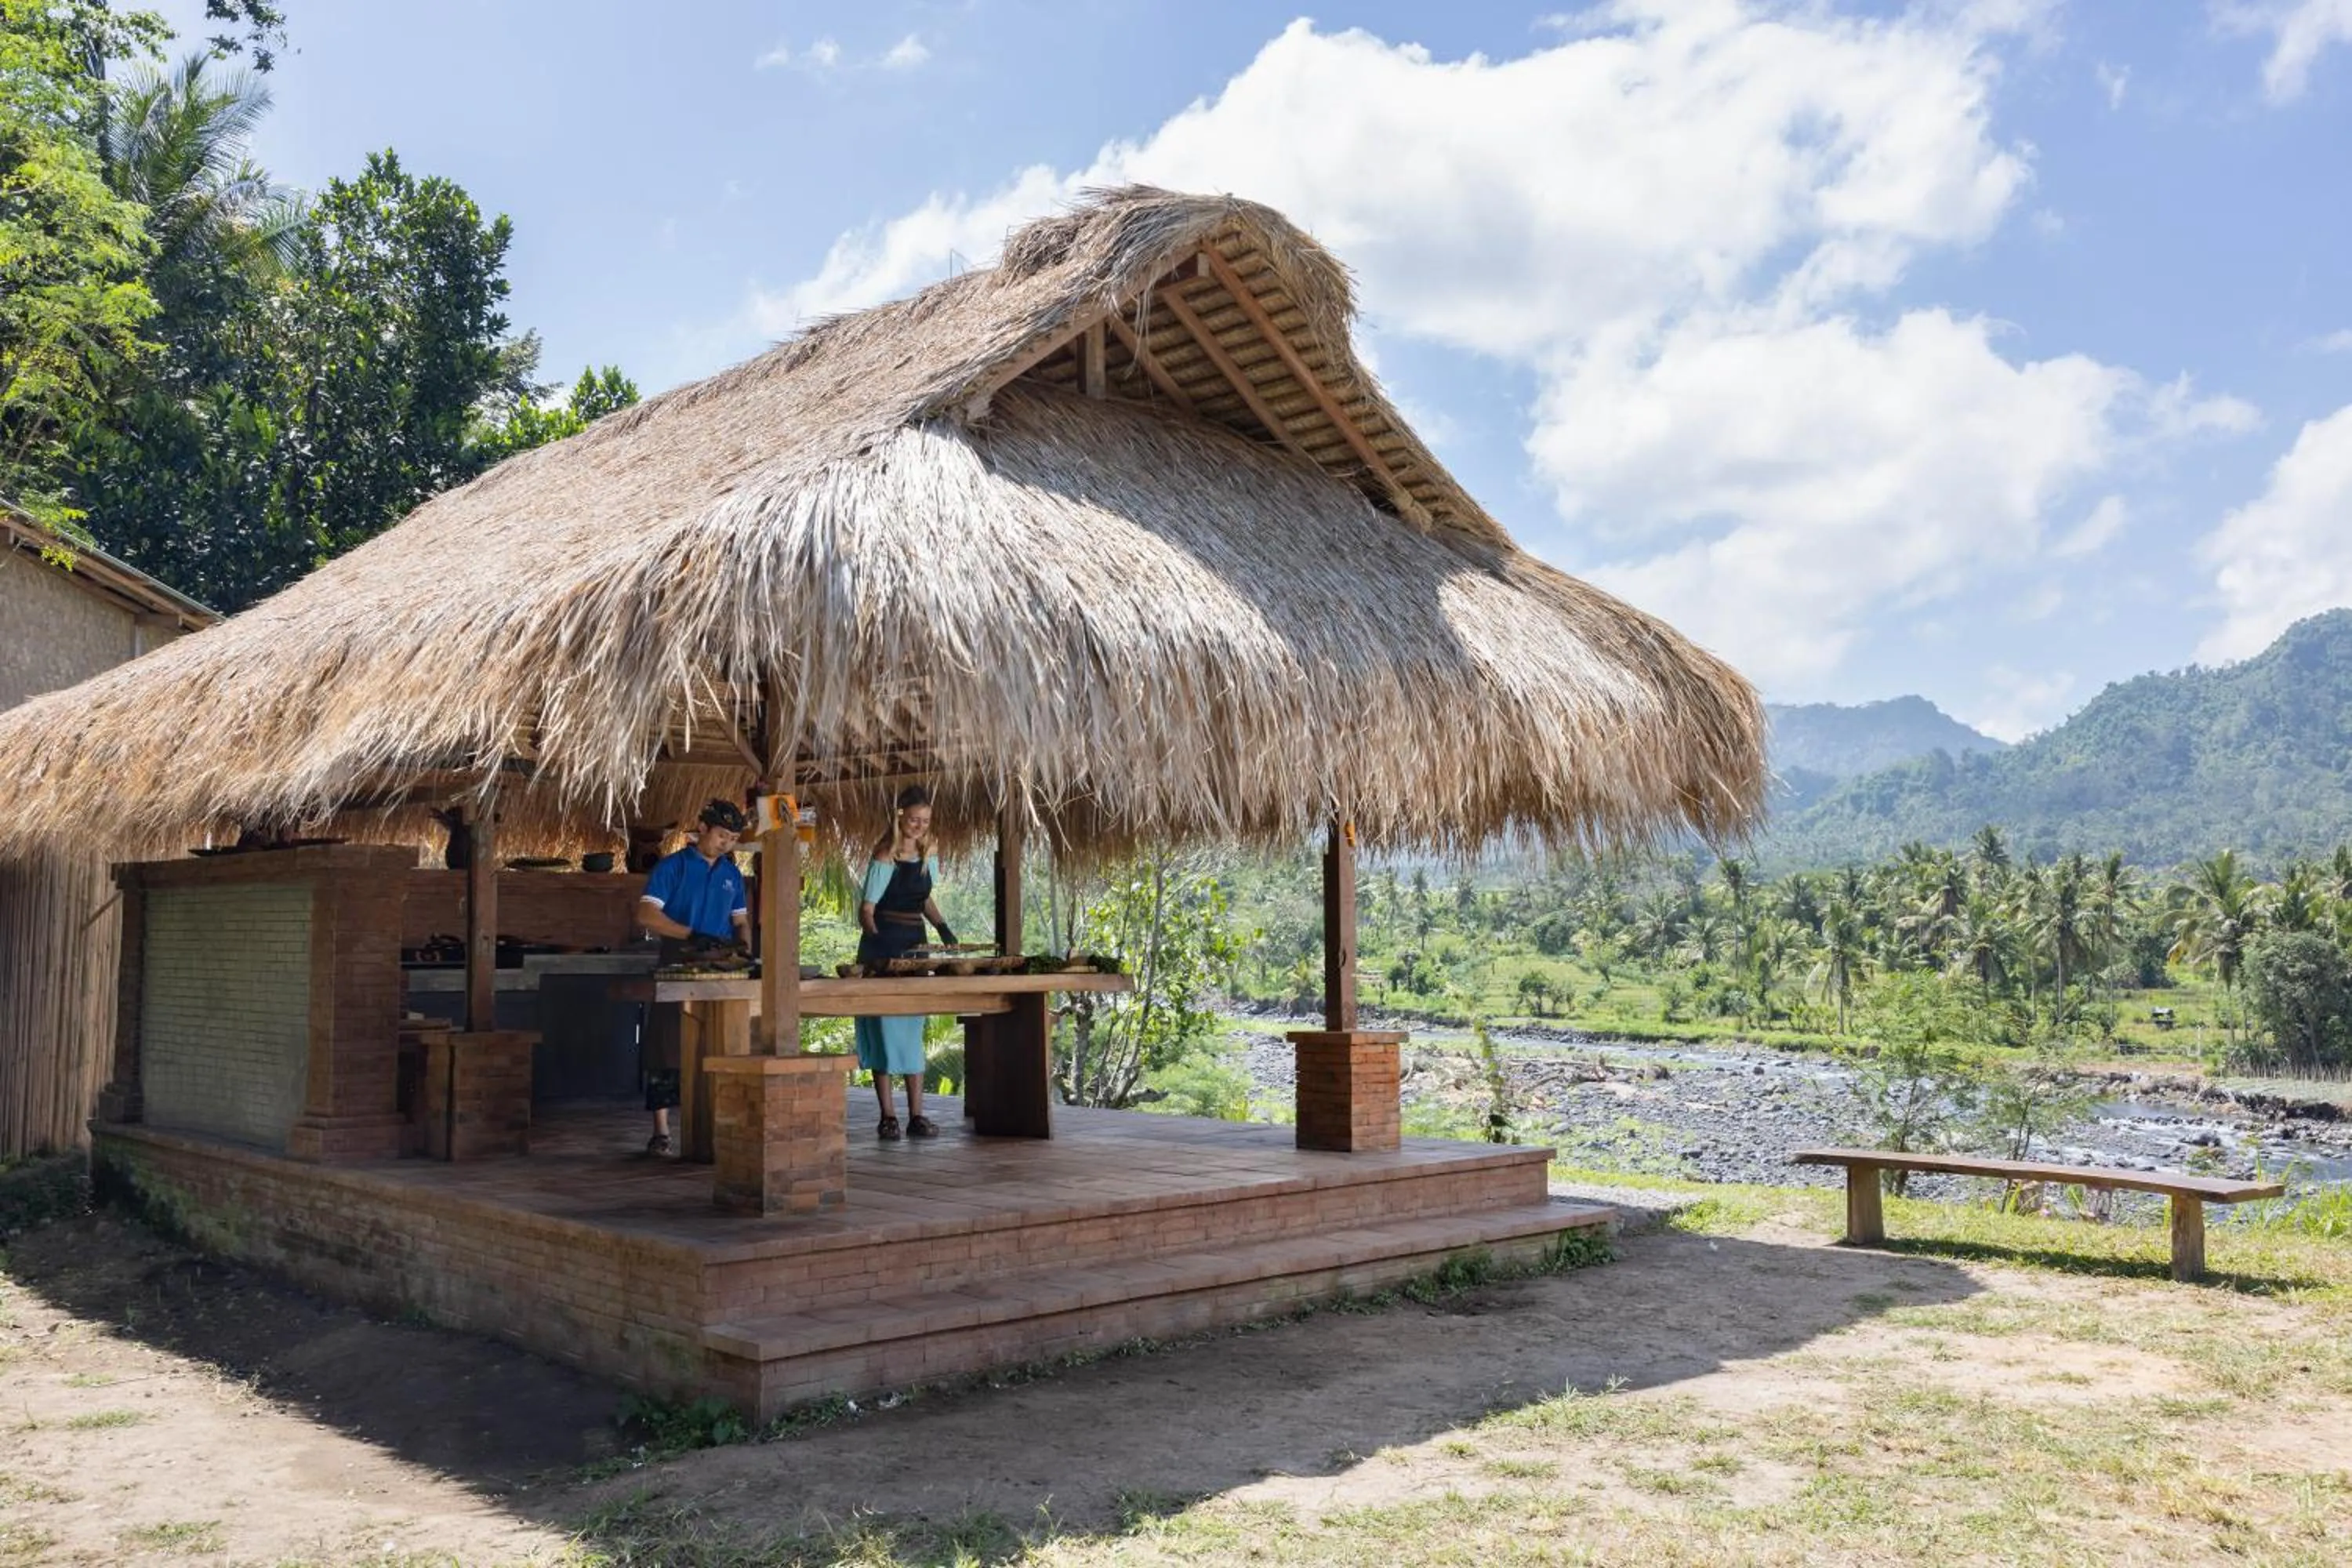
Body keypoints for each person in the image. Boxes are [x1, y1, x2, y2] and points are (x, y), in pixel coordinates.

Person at [633, 800, 751, 1154]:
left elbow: (741, 922)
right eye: (720, 835)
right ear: (702, 828)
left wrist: (743, 950)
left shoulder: (731, 874)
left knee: (716, 1042)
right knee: (666, 1044)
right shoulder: (674, 867)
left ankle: (717, 1127)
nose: (725, 844)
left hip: (719, 965)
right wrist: (689, 934)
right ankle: (662, 1132)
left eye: (732, 839)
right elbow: (646, 915)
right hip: (678, 959)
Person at [855, 785, 956, 1139]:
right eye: (913, 819)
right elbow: (866, 911)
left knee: (913, 1030)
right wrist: (877, 942)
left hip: (916, 947)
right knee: (883, 1031)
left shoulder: (929, 853)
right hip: (883, 946)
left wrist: (943, 928)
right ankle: (888, 1117)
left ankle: (917, 1116)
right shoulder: (885, 856)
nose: (918, 826)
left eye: (924, 821)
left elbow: (924, 899)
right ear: (900, 816)